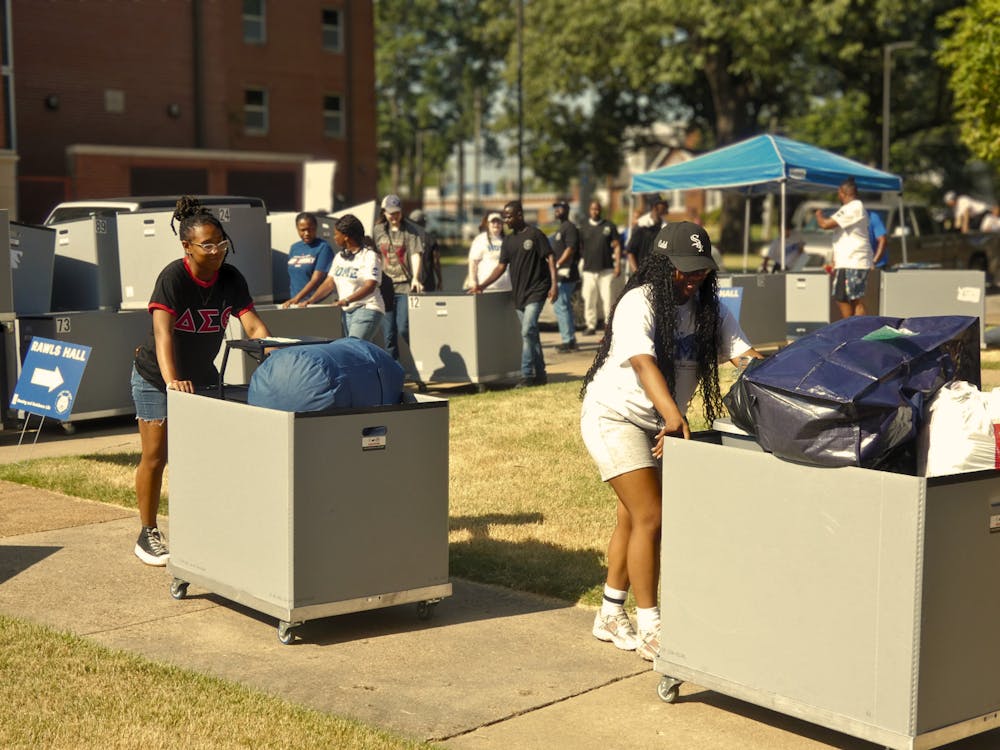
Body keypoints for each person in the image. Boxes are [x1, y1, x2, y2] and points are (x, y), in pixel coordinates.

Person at [580, 221, 761, 661]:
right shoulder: (637, 303)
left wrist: (791, 365)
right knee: (652, 516)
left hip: (657, 423)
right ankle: (651, 627)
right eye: (684, 269)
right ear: (662, 266)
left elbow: (743, 355)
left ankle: (609, 613)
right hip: (615, 416)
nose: (692, 277)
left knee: (632, 518)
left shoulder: (710, 310)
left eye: (700, 270)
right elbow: (643, 364)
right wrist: (673, 414)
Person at [130, 196, 271, 565]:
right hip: (156, 377)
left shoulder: (231, 278)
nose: (217, 250)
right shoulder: (173, 276)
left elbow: (251, 324)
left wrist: (274, 353)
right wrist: (172, 380)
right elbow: (162, 334)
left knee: (209, 454)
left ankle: (208, 525)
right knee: (156, 455)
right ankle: (147, 533)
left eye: (221, 242)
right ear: (187, 246)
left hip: (202, 376)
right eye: (208, 244)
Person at [469, 200, 557, 387]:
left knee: (526, 331)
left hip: (537, 290)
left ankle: (526, 374)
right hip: (519, 294)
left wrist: (554, 285)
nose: (506, 220)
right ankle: (541, 374)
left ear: (519, 215)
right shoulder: (508, 241)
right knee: (531, 334)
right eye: (504, 216)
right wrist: (482, 285)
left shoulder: (535, 234)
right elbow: (501, 267)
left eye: (509, 216)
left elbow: (550, 258)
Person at [301, 214, 385, 341]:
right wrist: (310, 300)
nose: (334, 237)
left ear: (346, 236)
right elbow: (329, 283)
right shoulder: (339, 257)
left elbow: (370, 286)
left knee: (353, 346)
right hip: (347, 311)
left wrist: (346, 300)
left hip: (366, 307)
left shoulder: (369, 257)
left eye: (336, 234)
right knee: (359, 351)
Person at [373, 194, 426, 363]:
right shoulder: (378, 230)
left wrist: (416, 278)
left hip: (404, 286)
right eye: (390, 213)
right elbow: (375, 255)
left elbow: (416, 254)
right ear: (384, 212)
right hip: (385, 288)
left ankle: (419, 362)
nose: (394, 216)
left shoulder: (410, 230)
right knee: (388, 334)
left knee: (403, 327)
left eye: (397, 213)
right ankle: (394, 370)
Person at [815, 177, 871, 318]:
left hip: (853, 261)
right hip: (850, 261)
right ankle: (853, 329)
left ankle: (851, 329)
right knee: (850, 298)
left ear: (842, 193)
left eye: (838, 193)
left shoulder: (853, 207)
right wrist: (835, 260)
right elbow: (841, 237)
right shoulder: (854, 208)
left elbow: (825, 224)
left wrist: (818, 215)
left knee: (847, 298)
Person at [578, 200, 622, 336]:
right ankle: (590, 325)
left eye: (597, 209)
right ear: (589, 210)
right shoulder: (583, 227)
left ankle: (609, 327)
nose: (595, 211)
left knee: (608, 300)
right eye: (592, 209)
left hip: (606, 270)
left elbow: (617, 246)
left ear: (600, 210)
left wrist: (618, 265)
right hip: (589, 270)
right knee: (589, 299)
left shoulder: (609, 226)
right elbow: (579, 247)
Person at [281, 211, 334, 308]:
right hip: (296, 302)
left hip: (315, 303)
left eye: (310, 229)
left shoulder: (323, 247)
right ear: (297, 229)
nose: (307, 233)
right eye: (303, 230)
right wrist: (295, 299)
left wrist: (298, 298)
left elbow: (316, 279)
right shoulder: (294, 248)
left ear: (316, 228)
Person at [550, 199, 581, 352]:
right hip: (561, 273)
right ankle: (570, 340)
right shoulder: (561, 228)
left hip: (565, 273)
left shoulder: (569, 227)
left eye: (560, 207)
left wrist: (558, 263)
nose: (557, 210)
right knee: (563, 307)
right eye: (555, 208)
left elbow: (571, 248)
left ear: (567, 210)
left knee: (561, 307)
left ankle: (567, 340)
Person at [467, 212, 511, 292]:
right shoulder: (481, 239)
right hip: (487, 287)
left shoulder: (507, 240)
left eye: (498, 222)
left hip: (507, 288)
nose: (496, 224)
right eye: (493, 222)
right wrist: (473, 281)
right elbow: (473, 262)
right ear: (488, 224)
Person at [626, 197, 669, 273]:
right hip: (642, 273)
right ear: (655, 207)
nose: (666, 208)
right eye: (663, 205)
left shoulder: (666, 228)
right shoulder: (641, 226)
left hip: (659, 274)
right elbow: (630, 252)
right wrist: (637, 273)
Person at [408, 209, 443, 292]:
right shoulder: (431, 239)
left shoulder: (407, 238)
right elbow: (436, 262)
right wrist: (440, 280)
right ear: (424, 223)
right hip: (428, 282)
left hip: (410, 281)